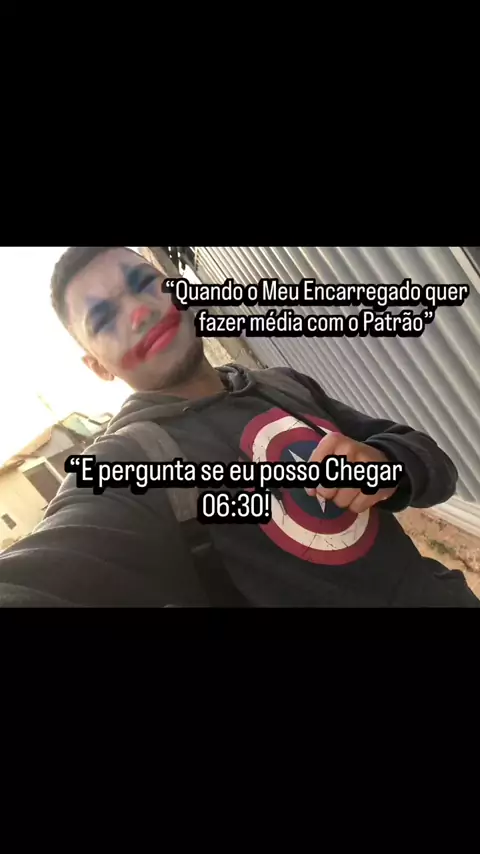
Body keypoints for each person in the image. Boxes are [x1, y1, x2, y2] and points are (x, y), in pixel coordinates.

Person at [0, 246, 477, 607]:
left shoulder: (282, 383)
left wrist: (387, 464)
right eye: (105, 318)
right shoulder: (125, 463)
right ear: (98, 367)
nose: (140, 311)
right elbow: (48, 570)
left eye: (145, 283)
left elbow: (436, 467)